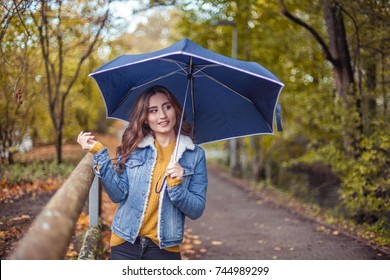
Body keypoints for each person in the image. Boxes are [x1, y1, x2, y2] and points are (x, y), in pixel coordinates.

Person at [77, 85, 208, 260]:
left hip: (164, 250)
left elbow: (196, 209)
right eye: (153, 110)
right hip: (124, 243)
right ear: (145, 118)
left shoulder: (195, 155)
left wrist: (177, 187)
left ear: (176, 110)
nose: (162, 115)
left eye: (167, 107)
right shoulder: (134, 147)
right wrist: (100, 153)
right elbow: (118, 194)